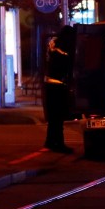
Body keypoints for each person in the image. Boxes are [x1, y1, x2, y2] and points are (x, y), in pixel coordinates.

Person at [43, 25, 75, 153]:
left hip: (50, 83)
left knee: (54, 117)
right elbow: (67, 63)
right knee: (58, 117)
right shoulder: (63, 49)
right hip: (58, 85)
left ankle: (50, 141)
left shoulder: (53, 46)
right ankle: (58, 143)